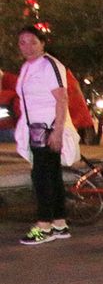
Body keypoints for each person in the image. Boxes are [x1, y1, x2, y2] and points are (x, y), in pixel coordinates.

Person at [14, 26, 74, 245]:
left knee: (41, 176)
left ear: (42, 42)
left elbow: (62, 98)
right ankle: (59, 222)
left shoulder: (49, 65)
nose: (27, 47)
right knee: (51, 175)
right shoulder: (27, 67)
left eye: (33, 42)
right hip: (36, 128)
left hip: (47, 127)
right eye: (22, 42)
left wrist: (57, 131)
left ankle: (44, 225)